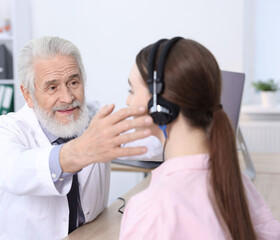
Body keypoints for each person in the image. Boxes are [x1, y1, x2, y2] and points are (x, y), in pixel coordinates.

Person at [0, 36, 154, 240]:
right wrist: (78, 152)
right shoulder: (4, 128)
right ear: (27, 94)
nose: (67, 97)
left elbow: (151, 143)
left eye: (73, 82)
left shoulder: (95, 117)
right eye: (52, 87)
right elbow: (11, 171)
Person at [119, 37, 280, 240]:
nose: (127, 100)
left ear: (159, 105)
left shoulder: (151, 209)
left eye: (131, 91)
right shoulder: (238, 182)